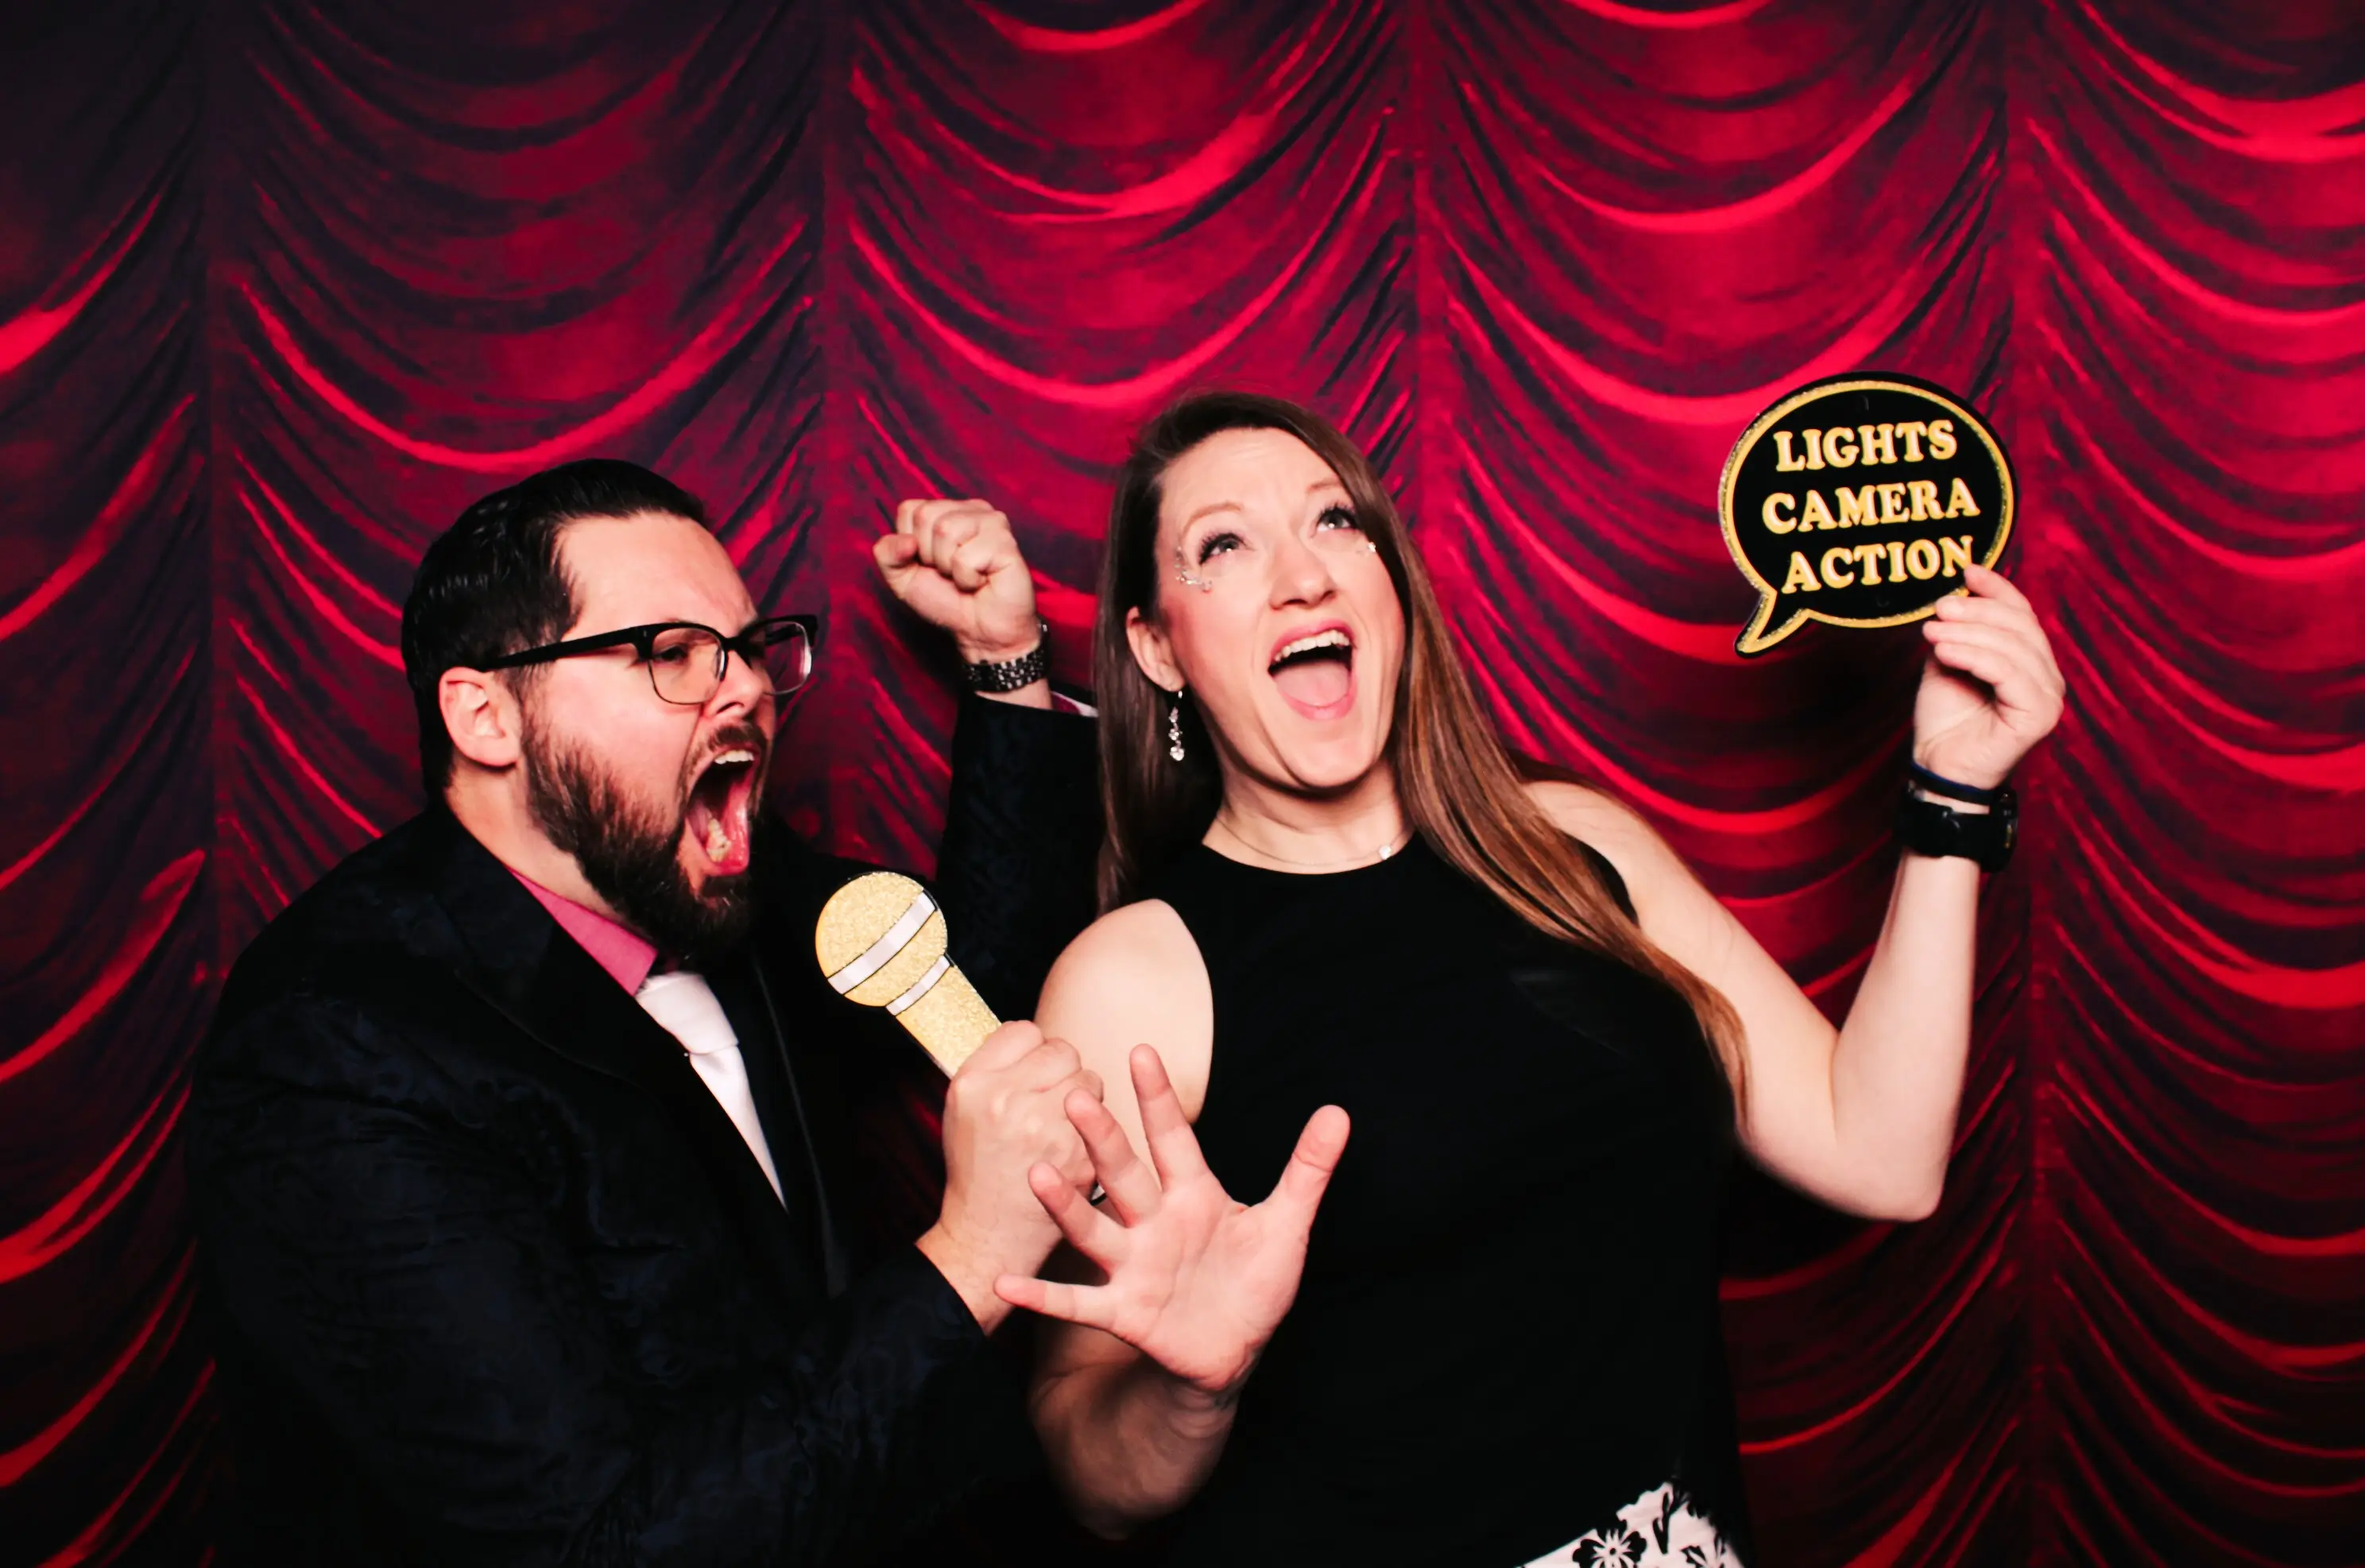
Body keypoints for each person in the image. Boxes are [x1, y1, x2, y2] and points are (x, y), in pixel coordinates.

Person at [993, 393, 2066, 1566]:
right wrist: (1191, 1390)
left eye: (1336, 525)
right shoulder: (1133, 978)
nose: (1303, 577)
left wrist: (1952, 797)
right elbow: (1089, 1479)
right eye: (1225, 545)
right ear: (1159, 647)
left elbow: (1881, 1151)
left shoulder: (1573, 847)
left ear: (1392, 591)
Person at [187, 462, 1103, 1565]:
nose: (749, 692)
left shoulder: (711, 882)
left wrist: (1005, 661)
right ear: (487, 716)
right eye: (671, 653)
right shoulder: (331, 1052)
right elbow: (594, 1545)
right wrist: (970, 1255)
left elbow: (967, 996)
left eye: (748, 649)